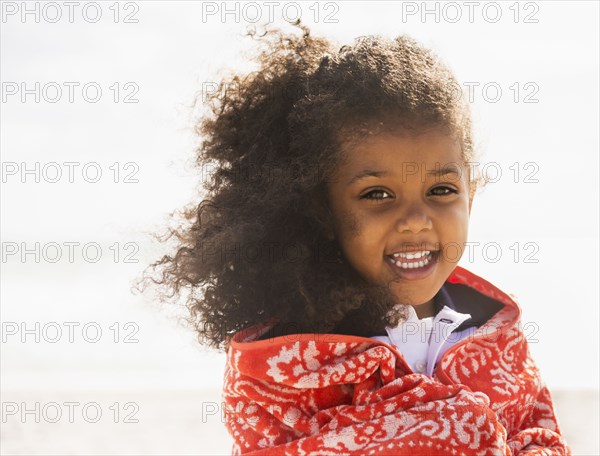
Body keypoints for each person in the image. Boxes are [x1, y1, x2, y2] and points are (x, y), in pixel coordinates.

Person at [145, 21, 570, 455]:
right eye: (377, 194)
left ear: (471, 197)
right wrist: (453, 428)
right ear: (323, 210)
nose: (415, 220)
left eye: (441, 190)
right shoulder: (282, 364)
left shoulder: (496, 328)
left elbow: (543, 436)